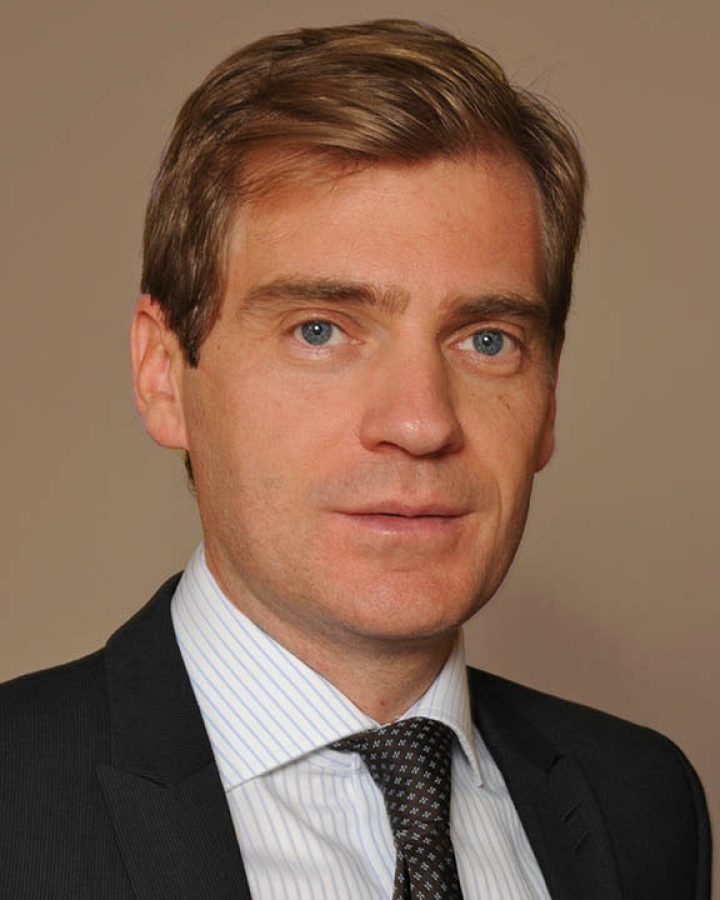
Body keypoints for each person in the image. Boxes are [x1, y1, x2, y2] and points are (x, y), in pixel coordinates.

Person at [0, 19, 711, 900]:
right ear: (163, 373)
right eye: (320, 330)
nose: (421, 422)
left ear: (550, 396)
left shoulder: (640, 802)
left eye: (487, 339)